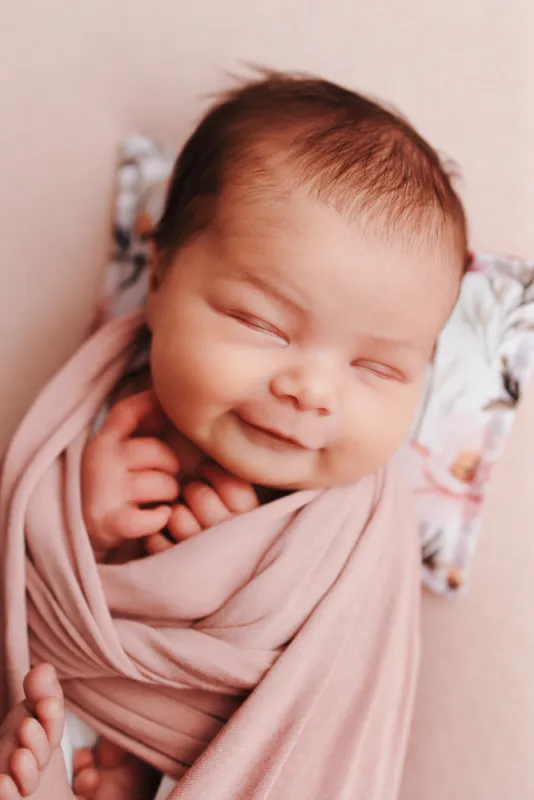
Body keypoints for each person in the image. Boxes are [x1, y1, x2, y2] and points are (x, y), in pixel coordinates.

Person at [0, 70, 467, 800]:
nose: (311, 391)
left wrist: (230, 569)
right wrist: (83, 523)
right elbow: (29, 583)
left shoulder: (353, 539)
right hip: (61, 707)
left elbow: (325, 718)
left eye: (377, 367)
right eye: (262, 324)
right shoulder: (94, 417)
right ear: (157, 277)